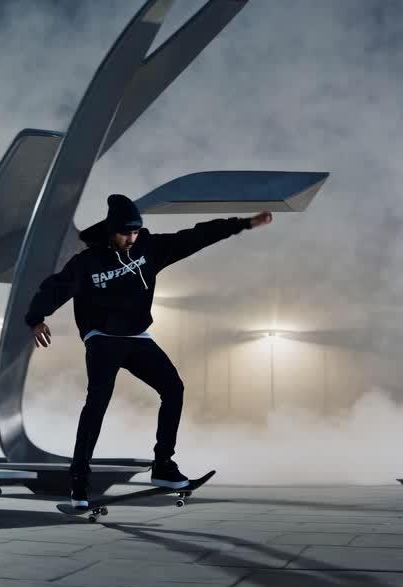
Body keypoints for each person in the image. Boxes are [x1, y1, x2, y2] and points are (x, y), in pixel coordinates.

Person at [25, 193, 273, 508]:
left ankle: (163, 466)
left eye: (135, 232)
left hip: (138, 337)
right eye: (124, 233)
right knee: (98, 402)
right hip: (102, 338)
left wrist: (244, 224)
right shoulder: (86, 263)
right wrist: (36, 319)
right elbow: (54, 288)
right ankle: (78, 482)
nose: (131, 239)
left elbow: (196, 237)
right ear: (110, 230)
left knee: (173, 388)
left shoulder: (149, 249)